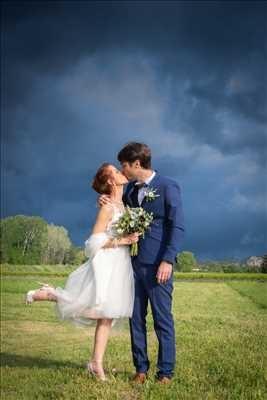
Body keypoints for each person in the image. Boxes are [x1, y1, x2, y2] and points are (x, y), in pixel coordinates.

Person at [25, 163, 139, 381]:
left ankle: (96, 364)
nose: (121, 172)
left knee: (108, 315)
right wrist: (123, 240)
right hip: (106, 263)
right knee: (94, 309)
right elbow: (93, 242)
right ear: (110, 181)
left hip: (121, 264)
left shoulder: (124, 204)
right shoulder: (107, 207)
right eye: (116, 171)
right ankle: (52, 295)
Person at [99, 142, 185, 384]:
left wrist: (167, 260)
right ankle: (140, 368)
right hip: (131, 265)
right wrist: (104, 201)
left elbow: (177, 226)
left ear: (136, 164)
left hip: (158, 266)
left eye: (123, 165)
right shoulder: (129, 191)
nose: (121, 170)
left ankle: (165, 372)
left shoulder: (168, 186)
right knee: (135, 318)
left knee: (162, 319)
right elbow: (118, 208)